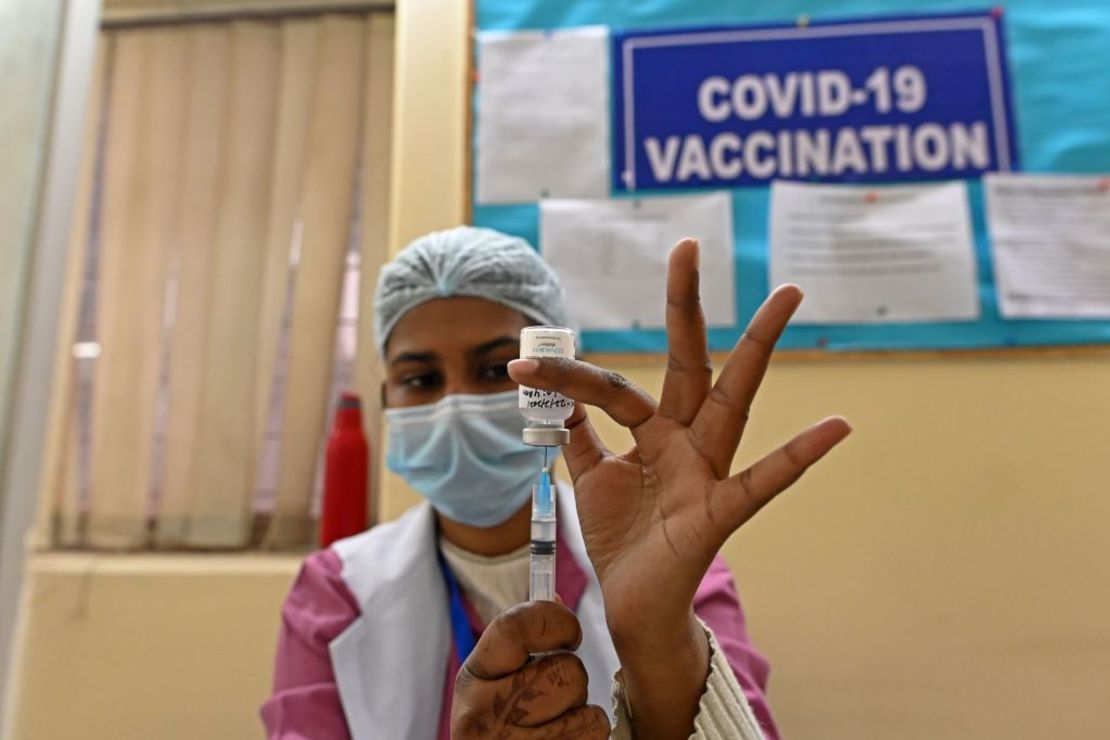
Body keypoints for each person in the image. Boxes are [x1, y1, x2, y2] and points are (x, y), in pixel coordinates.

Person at [261, 226, 851, 739]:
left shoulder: (670, 557)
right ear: (387, 396)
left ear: (558, 382)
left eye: (497, 370)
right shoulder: (336, 593)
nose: (458, 404)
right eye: (421, 378)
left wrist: (660, 649)